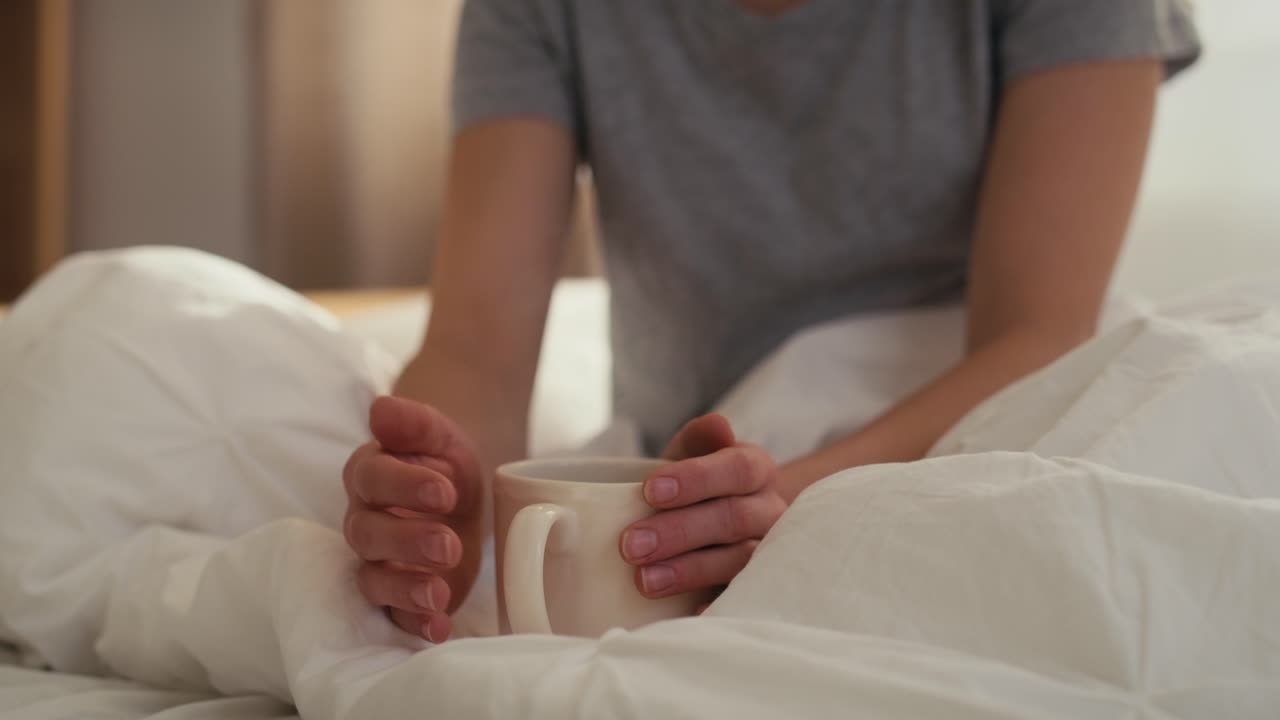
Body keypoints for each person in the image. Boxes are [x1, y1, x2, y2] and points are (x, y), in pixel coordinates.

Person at [341, 0, 1200, 643]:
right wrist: (435, 495)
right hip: (704, 482)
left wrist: (792, 498)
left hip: (962, 442)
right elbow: (476, 350)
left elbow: (1041, 338)